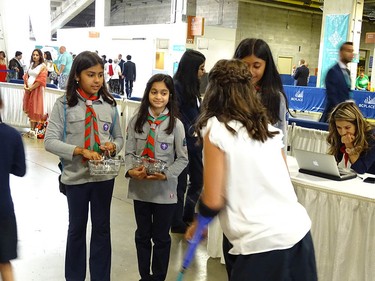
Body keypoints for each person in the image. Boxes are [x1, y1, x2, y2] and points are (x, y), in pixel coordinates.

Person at [190, 59, 317, 281]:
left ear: (212, 91)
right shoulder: (267, 129)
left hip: (260, 247)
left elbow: (213, 200)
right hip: (299, 237)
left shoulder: (215, 129)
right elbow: (282, 181)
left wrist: (199, 222)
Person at [44, 51, 124, 281]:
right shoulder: (64, 105)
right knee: (76, 230)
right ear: (77, 75)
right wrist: (78, 151)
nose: (97, 80)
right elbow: (50, 141)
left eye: (100, 75)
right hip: (75, 179)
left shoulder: (109, 105)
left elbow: (120, 138)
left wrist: (112, 146)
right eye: (91, 75)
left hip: (103, 179)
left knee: (102, 230)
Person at [125, 73, 188, 281]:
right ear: (147, 93)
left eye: (163, 93)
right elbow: (129, 152)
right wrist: (130, 170)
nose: (158, 97)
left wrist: (166, 175)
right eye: (154, 92)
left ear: (170, 95)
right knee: (142, 236)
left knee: (161, 238)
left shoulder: (175, 125)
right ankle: (145, 276)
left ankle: (159, 276)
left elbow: (183, 158)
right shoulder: (137, 120)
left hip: (165, 192)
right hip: (141, 190)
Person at [233, 38, 289, 152]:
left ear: (266, 66)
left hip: (263, 162)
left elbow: (281, 138)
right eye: (245, 65)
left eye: (256, 66)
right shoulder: (228, 94)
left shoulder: (276, 98)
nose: (250, 71)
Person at [171, 49, 206, 233]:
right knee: (181, 183)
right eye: (201, 68)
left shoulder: (193, 89)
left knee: (198, 180)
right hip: (182, 145)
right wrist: (190, 130)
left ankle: (187, 214)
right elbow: (176, 115)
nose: (203, 72)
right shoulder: (176, 86)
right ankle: (177, 221)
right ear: (191, 68)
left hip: (195, 144)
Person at [0, 91, 26, 281]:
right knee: (4, 262)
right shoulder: (12, 135)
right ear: (1, 104)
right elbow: (20, 170)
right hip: (3, 208)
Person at [327, 101, 375, 175]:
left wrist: (349, 145)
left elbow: (360, 169)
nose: (343, 132)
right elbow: (334, 160)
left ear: (357, 125)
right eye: (339, 127)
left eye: (347, 127)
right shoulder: (338, 134)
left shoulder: (372, 136)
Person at [320, 41, 354, 122]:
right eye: (348, 51)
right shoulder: (333, 72)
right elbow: (332, 97)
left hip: (345, 117)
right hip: (333, 118)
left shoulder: (347, 72)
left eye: (352, 51)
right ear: (341, 53)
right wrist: (343, 113)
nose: (351, 54)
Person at [22, 48, 47, 138]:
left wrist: (31, 88)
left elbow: (41, 80)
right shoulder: (31, 64)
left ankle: (34, 131)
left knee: (35, 109)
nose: (35, 56)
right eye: (33, 55)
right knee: (30, 108)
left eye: (37, 55)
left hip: (37, 90)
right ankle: (31, 130)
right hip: (29, 90)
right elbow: (26, 76)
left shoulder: (43, 66)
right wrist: (26, 86)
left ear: (40, 56)